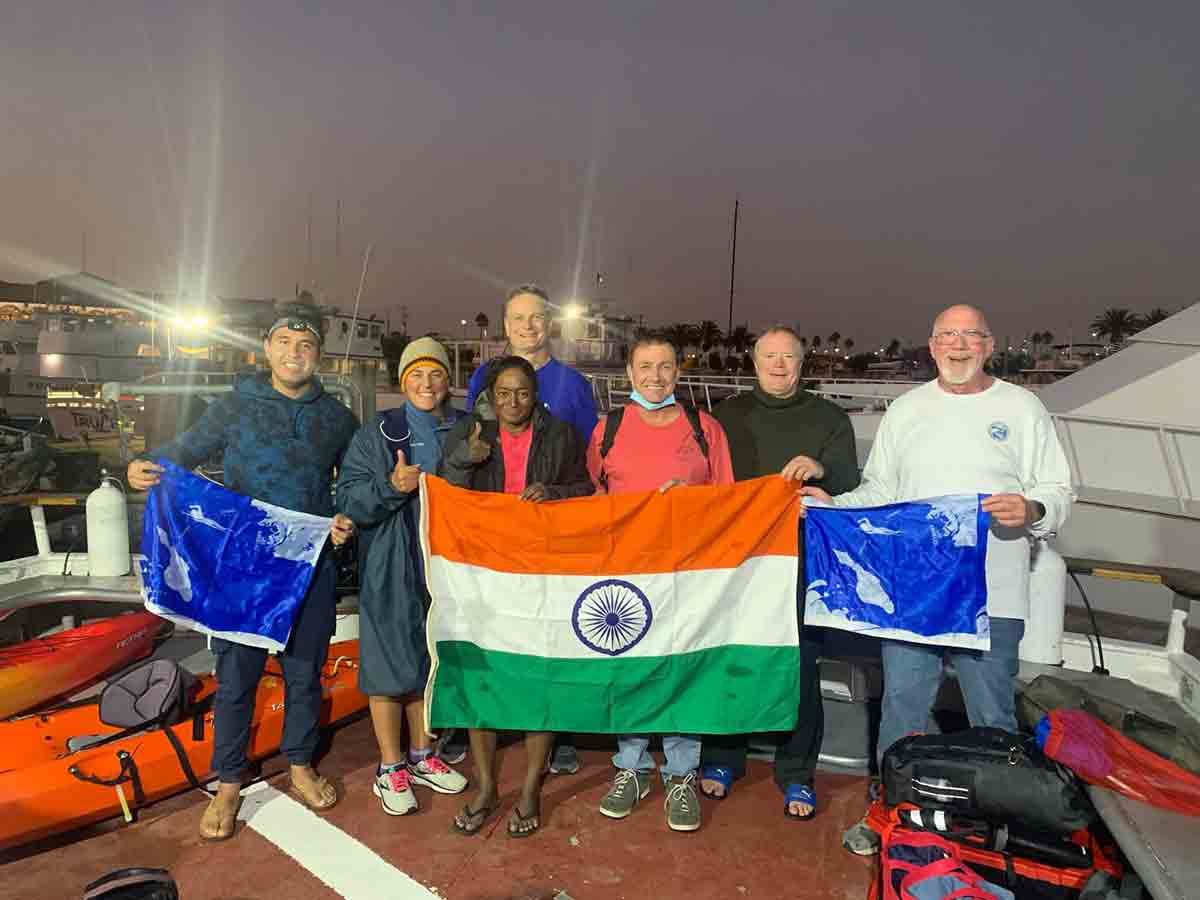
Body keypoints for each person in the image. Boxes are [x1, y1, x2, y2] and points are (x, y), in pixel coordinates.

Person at [801, 304, 1074, 855]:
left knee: (992, 716)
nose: (958, 344)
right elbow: (882, 491)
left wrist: (1034, 508)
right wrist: (833, 506)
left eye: (970, 335)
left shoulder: (1023, 408)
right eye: (948, 335)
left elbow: (1058, 488)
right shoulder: (907, 409)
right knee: (902, 709)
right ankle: (892, 814)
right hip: (913, 595)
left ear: (988, 345)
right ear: (931, 347)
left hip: (993, 593)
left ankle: (993, 834)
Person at [127, 301, 359, 841]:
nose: (294, 353)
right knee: (236, 680)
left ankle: (300, 762)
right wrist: (141, 464)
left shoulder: (336, 417)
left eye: (306, 345)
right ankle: (229, 780)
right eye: (285, 343)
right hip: (243, 567)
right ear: (268, 349)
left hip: (308, 563)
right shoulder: (235, 406)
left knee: (305, 673)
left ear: (319, 355)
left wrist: (346, 517)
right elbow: (185, 450)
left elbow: (352, 480)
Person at [699, 326, 860, 819]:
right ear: (754, 363)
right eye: (769, 356)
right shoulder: (724, 417)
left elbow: (850, 481)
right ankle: (722, 757)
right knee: (731, 655)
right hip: (738, 560)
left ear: (801, 364)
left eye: (787, 357)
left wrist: (821, 468)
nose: (778, 364)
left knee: (800, 664)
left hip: (801, 560)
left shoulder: (830, 419)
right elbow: (703, 482)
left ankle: (796, 772)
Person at [586, 333, 735, 833]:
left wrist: (689, 501)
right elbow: (595, 497)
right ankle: (631, 767)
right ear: (630, 373)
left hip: (687, 573)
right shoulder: (607, 429)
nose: (655, 377)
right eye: (645, 366)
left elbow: (727, 503)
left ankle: (681, 772)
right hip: (625, 575)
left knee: (682, 668)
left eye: (665, 366)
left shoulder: (704, 428)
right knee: (629, 669)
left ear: (678, 371)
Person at [440, 355, 594, 836]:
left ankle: (530, 788)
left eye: (523, 393)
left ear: (536, 396)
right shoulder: (471, 432)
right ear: (490, 396)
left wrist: (554, 493)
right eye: (503, 393)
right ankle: (486, 787)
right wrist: (465, 460)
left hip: (542, 572)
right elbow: (446, 493)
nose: (513, 402)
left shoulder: (562, 434)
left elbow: (586, 488)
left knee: (537, 678)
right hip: (483, 572)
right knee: (482, 679)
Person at [462, 283, 597, 774]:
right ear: (506, 325)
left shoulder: (573, 385)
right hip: (495, 541)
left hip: (550, 539)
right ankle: (485, 723)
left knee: (550, 635)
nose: (527, 326)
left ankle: (559, 732)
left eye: (536, 317)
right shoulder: (483, 377)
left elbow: (585, 461)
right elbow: (472, 444)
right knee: (490, 632)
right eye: (518, 318)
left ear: (550, 323)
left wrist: (558, 497)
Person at [334, 337, 469, 817]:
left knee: (429, 660)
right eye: (416, 375)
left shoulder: (465, 428)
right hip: (391, 562)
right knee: (388, 665)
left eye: (436, 374)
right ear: (402, 380)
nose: (426, 384)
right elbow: (349, 498)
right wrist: (392, 486)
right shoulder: (378, 432)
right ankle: (390, 765)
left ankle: (422, 753)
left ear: (448, 380)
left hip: (447, 565)